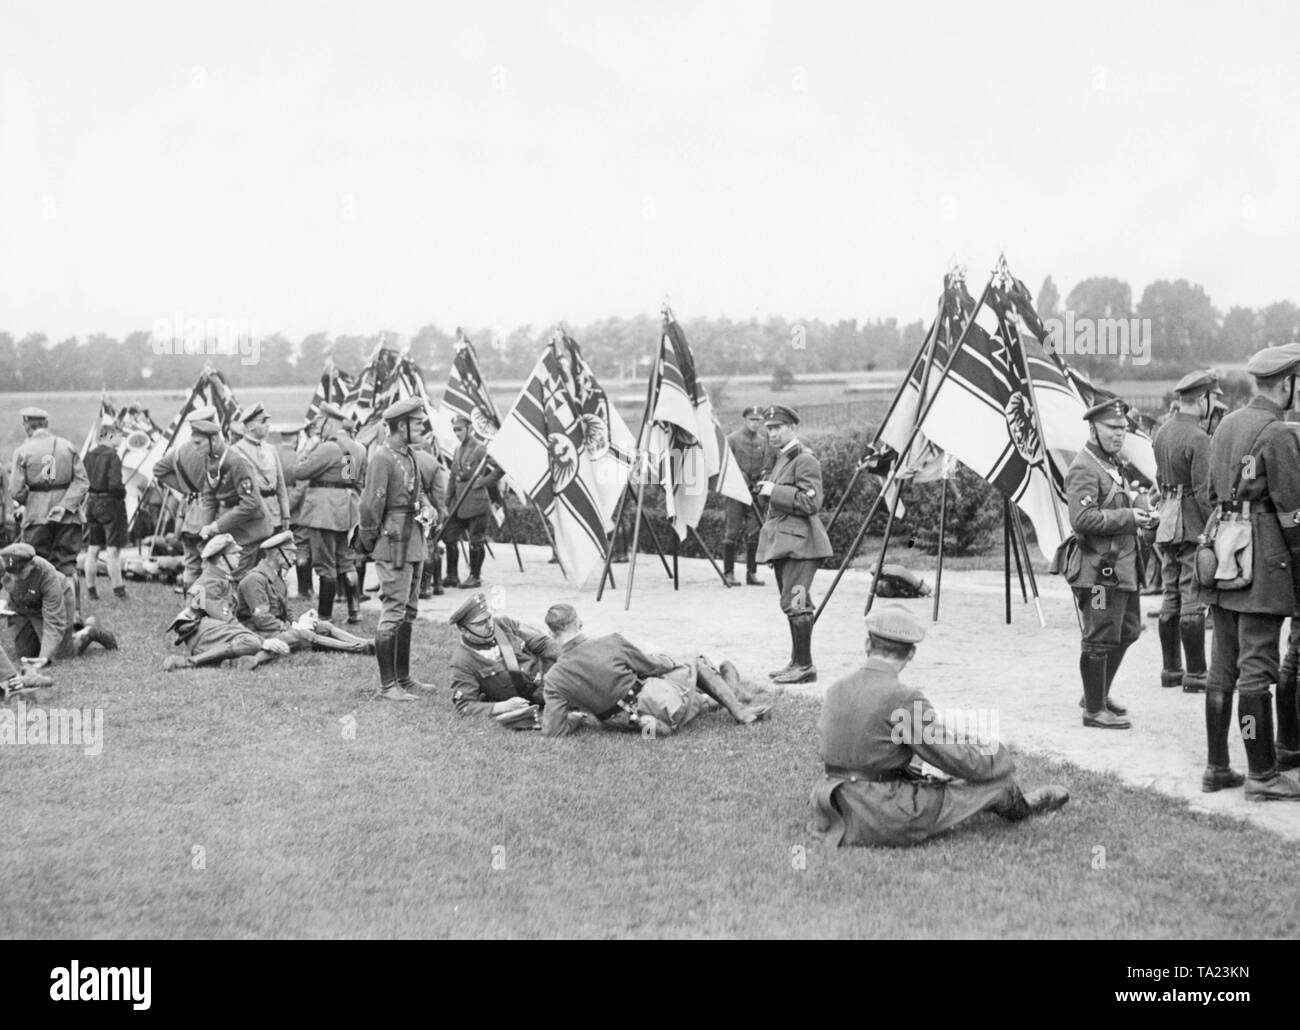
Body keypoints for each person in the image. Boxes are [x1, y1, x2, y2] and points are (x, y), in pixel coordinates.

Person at [808, 606, 1069, 848]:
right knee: (996, 784)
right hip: (878, 812)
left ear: (867, 645)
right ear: (911, 653)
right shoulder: (902, 697)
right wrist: (996, 754)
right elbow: (955, 758)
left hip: (831, 804)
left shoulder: (836, 688)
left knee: (927, 771)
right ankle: (1021, 804)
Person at [1203, 345, 1300, 799]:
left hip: (1223, 558)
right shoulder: (1278, 432)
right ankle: (1262, 773)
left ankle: (1217, 767)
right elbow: (1293, 514)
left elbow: (1209, 493)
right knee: (1257, 669)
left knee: (1222, 667)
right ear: (1286, 384)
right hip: (1262, 566)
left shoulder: (1225, 424)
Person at [539, 603, 770, 737]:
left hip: (621, 723)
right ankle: (739, 709)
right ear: (580, 623)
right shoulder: (611, 642)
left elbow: (552, 730)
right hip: (653, 701)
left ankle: (724, 694)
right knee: (696, 662)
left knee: (689, 701)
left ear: (552, 634)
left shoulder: (554, 678)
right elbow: (653, 667)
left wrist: (578, 718)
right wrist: (669, 659)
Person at [1064, 398, 1153, 730]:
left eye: (1123, 429)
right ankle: (1093, 710)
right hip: (1099, 571)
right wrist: (1129, 517)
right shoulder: (1084, 467)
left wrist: (1142, 515)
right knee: (1099, 636)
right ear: (1093, 429)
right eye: (1112, 429)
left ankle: (1096, 694)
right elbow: (1082, 518)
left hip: (1122, 568)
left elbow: (1117, 504)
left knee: (1127, 631)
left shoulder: (1112, 463)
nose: (1120, 434)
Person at [357, 397, 437, 701]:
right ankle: (388, 685)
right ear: (399, 426)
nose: (421, 426)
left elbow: (420, 493)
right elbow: (369, 506)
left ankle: (403, 678)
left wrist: (428, 509)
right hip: (394, 543)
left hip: (413, 540)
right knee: (393, 612)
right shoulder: (382, 457)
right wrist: (369, 540)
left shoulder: (409, 455)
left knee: (408, 611)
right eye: (416, 423)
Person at [755, 404, 832, 685]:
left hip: (802, 546)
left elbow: (812, 502)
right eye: (769, 429)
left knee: (796, 602)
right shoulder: (782, 459)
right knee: (793, 603)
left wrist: (775, 490)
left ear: (793, 428)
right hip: (786, 544)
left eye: (777, 428)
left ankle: (806, 666)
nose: (772, 433)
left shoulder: (805, 459)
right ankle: (797, 662)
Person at [1151, 370, 1216, 692]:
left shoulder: (1162, 432)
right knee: (1192, 600)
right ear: (1201, 399)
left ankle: (1170, 671)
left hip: (1166, 522)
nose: (1214, 403)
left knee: (1170, 595)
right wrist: (1212, 533)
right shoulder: (1198, 438)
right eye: (1212, 397)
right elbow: (1204, 493)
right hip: (1191, 523)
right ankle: (1196, 674)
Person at [233, 531, 374, 668]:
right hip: (259, 632)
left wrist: (296, 621)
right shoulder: (255, 579)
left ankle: (366, 642)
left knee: (324, 626)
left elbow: (285, 608)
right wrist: (291, 628)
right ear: (276, 554)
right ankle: (361, 648)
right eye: (290, 553)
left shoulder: (275, 576)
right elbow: (262, 619)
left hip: (274, 628)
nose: (294, 558)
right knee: (303, 634)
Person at [162, 533, 290, 672]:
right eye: (234, 553)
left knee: (276, 642)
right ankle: (189, 662)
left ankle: (236, 662)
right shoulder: (209, 583)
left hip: (219, 633)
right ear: (221, 560)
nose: (239, 556)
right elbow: (227, 620)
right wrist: (263, 641)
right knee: (253, 642)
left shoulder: (222, 580)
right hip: (203, 636)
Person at [10, 406, 90, 621]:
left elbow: (15, 491)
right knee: (68, 565)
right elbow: (82, 482)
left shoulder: (22, 451)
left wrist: (34, 500)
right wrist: (64, 505)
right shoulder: (67, 446)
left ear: (27, 424)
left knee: (37, 565)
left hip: (37, 518)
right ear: (46, 424)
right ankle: (74, 615)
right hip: (68, 516)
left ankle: (43, 615)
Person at [294, 403, 367, 622]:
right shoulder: (358, 448)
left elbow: (299, 471)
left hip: (323, 512)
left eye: (320, 423)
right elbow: (356, 480)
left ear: (330, 423)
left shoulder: (328, 448)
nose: (318, 429)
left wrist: (309, 447)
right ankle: (355, 611)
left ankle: (325, 616)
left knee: (325, 565)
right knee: (345, 560)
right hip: (346, 511)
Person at [0, 542, 117, 670]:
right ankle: (60, 634)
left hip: (56, 603)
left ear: (31, 565)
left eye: (20, 573)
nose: (15, 578)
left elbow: (53, 622)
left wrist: (44, 658)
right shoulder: (4, 565)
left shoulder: (47, 575)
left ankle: (91, 630)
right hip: (22, 607)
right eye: (11, 574)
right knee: (26, 653)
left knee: (59, 655)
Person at [447, 592, 558, 726]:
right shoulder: (462, 660)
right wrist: (503, 707)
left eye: (488, 618)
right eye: (480, 623)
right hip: (535, 696)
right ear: (464, 630)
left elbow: (544, 643)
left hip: (552, 675)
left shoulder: (504, 624)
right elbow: (465, 705)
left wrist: (571, 659)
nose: (489, 625)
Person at [196, 414, 274, 582]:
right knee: (231, 579)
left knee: (240, 580)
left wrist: (216, 526)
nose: (195, 448)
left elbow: (251, 503)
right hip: (232, 527)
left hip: (250, 530)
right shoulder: (209, 460)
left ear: (214, 439)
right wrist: (206, 529)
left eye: (198, 443)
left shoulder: (237, 462)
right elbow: (209, 496)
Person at [153, 406, 219, 592]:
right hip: (209, 514)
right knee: (211, 565)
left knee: (191, 565)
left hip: (187, 513)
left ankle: (192, 608)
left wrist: (185, 489)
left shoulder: (180, 450)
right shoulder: (211, 451)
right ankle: (205, 610)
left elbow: (159, 470)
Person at [441, 414, 503, 589]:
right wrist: (447, 500)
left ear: (469, 428)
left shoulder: (480, 449)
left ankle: (475, 576)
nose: (457, 433)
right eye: (454, 430)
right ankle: (452, 575)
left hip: (476, 502)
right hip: (459, 503)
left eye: (459, 429)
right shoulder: (457, 450)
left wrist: (484, 482)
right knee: (449, 536)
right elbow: (453, 477)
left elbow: (500, 467)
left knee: (476, 540)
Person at [723, 406, 778, 587]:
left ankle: (751, 573)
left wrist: (763, 478)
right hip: (737, 492)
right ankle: (728, 573)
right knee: (732, 531)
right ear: (745, 420)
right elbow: (726, 464)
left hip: (756, 493)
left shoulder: (764, 441)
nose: (756, 424)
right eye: (752, 420)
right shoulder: (732, 439)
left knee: (754, 532)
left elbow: (768, 463)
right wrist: (742, 478)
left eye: (758, 421)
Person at [83, 423, 130, 601]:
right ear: (109, 436)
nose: (121, 439)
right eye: (119, 436)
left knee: (93, 548)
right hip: (110, 504)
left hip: (92, 503)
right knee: (113, 551)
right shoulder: (113, 457)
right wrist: (122, 492)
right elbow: (115, 484)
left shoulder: (88, 455)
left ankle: (91, 590)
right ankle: (119, 591)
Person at [232, 403, 291, 535]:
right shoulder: (236, 452)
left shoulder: (271, 449)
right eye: (263, 421)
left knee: (276, 554)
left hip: (274, 515)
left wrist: (285, 513)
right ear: (251, 426)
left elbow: (280, 485)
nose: (268, 425)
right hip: (252, 518)